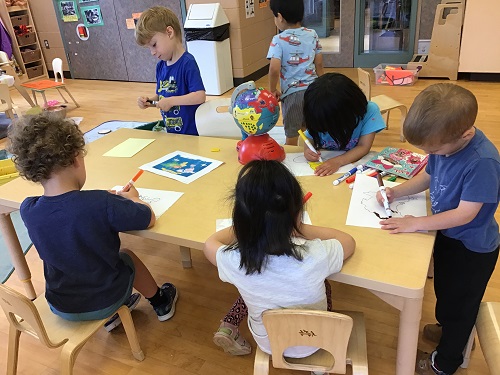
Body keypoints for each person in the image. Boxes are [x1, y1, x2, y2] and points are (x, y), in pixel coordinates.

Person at [8, 113, 179, 331]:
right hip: (103, 299)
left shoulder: (28, 208)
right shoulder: (100, 203)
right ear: (75, 159)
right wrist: (134, 199)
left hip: (60, 303)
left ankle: (113, 318)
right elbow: (148, 218)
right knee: (127, 256)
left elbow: (67, 214)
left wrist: (103, 201)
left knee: (81, 261)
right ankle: (160, 301)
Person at [376, 83, 500, 375]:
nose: (432, 154)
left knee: (461, 307)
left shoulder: (483, 162)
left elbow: (466, 214)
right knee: (445, 291)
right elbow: (427, 177)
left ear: (465, 134)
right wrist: (398, 192)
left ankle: (444, 362)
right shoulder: (444, 142)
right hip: (449, 236)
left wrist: (415, 223)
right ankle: (448, 329)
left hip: (472, 249)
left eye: (434, 149)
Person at [203, 160, 356, 356]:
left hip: (269, 343)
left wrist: (250, 224)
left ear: (239, 218)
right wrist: (298, 227)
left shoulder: (235, 261)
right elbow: (348, 241)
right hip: (316, 341)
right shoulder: (316, 255)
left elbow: (210, 243)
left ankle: (230, 324)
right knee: (324, 284)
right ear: (297, 212)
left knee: (256, 288)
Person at [135, 6, 206, 136]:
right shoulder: (160, 67)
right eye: (149, 48)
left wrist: (171, 101)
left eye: (154, 45)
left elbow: (199, 96)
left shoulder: (187, 62)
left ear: (169, 32)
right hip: (172, 132)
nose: (152, 52)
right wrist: (149, 101)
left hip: (192, 134)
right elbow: (162, 96)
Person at [303, 73, 386, 176]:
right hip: (326, 164)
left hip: (353, 166)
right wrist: (308, 150)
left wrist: (338, 161)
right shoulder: (319, 114)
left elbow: (363, 146)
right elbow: (308, 138)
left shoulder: (369, 111)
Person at [267, 0, 323, 146]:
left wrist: (272, 90)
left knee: (292, 131)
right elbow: (319, 63)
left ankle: (291, 154)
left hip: (293, 94)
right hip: (314, 90)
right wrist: (322, 86)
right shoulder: (312, 34)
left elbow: (274, 68)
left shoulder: (278, 40)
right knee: (309, 127)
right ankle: (310, 152)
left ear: (279, 17)